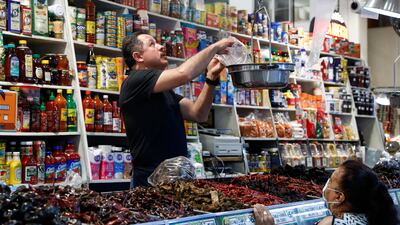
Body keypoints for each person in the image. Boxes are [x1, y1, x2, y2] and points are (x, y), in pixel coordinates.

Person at [120, 31, 235, 187]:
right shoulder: (135, 81)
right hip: (149, 181)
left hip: (175, 178)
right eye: (152, 44)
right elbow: (184, 73)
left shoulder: (163, 91)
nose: (161, 47)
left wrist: (211, 79)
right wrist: (215, 47)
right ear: (138, 57)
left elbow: (198, 114)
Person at [254, 160, 399, 225]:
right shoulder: (373, 217)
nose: (326, 185)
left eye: (330, 181)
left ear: (339, 197)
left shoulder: (331, 223)